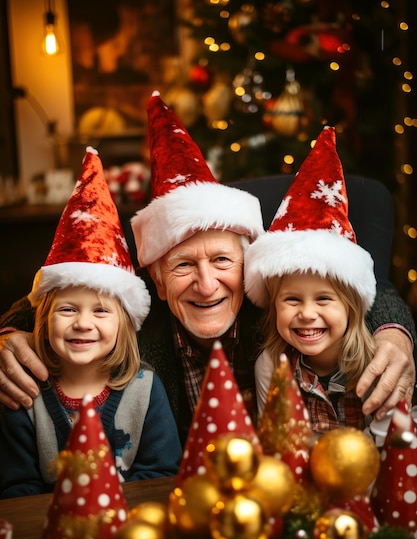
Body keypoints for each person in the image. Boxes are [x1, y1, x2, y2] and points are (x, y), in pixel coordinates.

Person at [0, 93, 415, 444]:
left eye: (221, 260)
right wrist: (7, 333)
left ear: (248, 263)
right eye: (182, 265)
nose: (205, 283)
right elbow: (55, 296)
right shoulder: (134, 313)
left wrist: (394, 334)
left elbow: (368, 289)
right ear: (156, 280)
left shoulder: (280, 306)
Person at [0, 147, 181, 499]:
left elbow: (161, 473)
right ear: (44, 319)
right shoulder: (25, 396)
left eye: (100, 311)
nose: (83, 323)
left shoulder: (145, 389)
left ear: (124, 324)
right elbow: (16, 489)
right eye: (68, 310)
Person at [245, 126, 380, 432]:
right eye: (292, 299)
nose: (306, 313)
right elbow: (278, 445)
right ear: (273, 306)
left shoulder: (373, 362)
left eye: (323, 298)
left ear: (351, 307)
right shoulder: (271, 366)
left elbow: (394, 449)